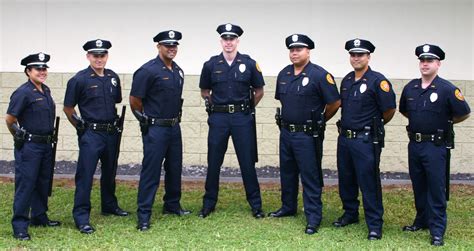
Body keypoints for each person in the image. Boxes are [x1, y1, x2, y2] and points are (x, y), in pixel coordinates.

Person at [399, 44, 470, 246]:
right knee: (419, 184)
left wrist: (443, 124)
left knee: (436, 188)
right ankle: (422, 220)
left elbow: (463, 112)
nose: (425, 64)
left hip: (436, 146)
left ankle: (437, 229)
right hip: (415, 144)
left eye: (429, 60)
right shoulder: (410, 87)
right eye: (422, 60)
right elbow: (405, 110)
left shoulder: (447, 89)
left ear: (438, 64)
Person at [269, 34, 340, 234]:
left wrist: (320, 120)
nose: (294, 53)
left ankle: (313, 217)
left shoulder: (320, 75)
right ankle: (288, 207)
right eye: (292, 50)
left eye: (299, 49)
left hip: (308, 135)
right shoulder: (284, 74)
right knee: (288, 172)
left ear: (308, 51)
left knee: (310, 175)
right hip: (286, 132)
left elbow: (335, 102)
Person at [198, 23, 265, 219]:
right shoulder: (210, 65)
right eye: (225, 39)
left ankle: (256, 205)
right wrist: (216, 107)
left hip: (241, 118)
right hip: (218, 118)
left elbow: (259, 91)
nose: (229, 42)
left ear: (237, 41)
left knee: (246, 162)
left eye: (232, 39)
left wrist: (246, 108)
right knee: (214, 162)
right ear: (221, 41)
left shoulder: (250, 63)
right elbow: (204, 91)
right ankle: (208, 204)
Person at [334, 39, 396, 240]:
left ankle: (375, 224)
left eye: (360, 54)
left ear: (368, 57)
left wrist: (372, 127)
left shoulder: (378, 81)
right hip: (345, 138)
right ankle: (350, 213)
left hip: (366, 140)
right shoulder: (347, 80)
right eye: (353, 54)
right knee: (346, 179)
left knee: (368, 181)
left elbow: (389, 110)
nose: (356, 58)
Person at [64, 39, 128, 234]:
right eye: (95, 56)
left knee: (110, 171)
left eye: (102, 55)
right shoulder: (79, 79)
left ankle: (109, 205)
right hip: (91, 133)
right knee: (85, 175)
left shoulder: (112, 77)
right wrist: (80, 127)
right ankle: (81, 216)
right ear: (88, 57)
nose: (99, 59)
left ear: (107, 56)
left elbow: (116, 99)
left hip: (110, 132)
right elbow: (68, 108)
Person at [130, 30, 191, 231]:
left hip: (174, 127)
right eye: (167, 45)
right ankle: (144, 214)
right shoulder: (147, 71)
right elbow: (135, 101)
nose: (171, 49)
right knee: (151, 171)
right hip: (155, 128)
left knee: (174, 168)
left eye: (174, 46)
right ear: (158, 46)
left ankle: (172, 205)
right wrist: (145, 123)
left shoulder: (178, 71)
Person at [6, 53, 61, 240]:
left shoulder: (45, 90)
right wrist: (19, 138)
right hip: (29, 146)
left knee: (42, 182)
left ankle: (39, 216)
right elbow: (10, 119)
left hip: (45, 144)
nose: (42, 72)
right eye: (38, 69)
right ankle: (20, 225)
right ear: (28, 71)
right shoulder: (23, 92)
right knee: (26, 184)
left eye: (44, 69)